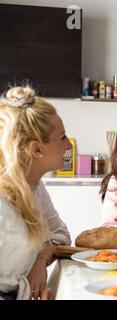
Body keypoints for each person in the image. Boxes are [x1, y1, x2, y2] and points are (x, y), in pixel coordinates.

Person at [0, 87, 71, 300]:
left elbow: (62, 234)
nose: (68, 145)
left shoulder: (35, 187)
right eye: (62, 137)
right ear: (37, 149)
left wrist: (40, 260)